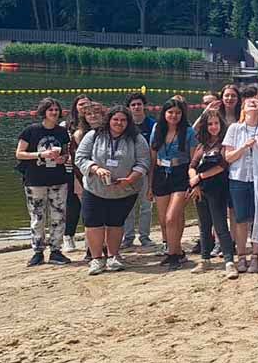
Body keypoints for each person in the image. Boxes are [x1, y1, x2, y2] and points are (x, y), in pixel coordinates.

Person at [75, 105, 150, 275]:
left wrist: (131, 178)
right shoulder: (93, 135)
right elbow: (80, 158)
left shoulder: (136, 139)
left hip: (125, 190)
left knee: (115, 223)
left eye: (123, 120)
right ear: (108, 120)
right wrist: (95, 168)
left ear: (128, 122)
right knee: (93, 223)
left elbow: (144, 162)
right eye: (115, 119)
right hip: (95, 189)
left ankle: (113, 256)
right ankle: (96, 259)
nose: (119, 123)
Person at [16, 98, 73, 266]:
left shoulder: (62, 132)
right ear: (44, 112)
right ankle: (38, 252)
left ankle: (56, 251)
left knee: (59, 215)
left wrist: (63, 158)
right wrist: (41, 155)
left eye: (56, 110)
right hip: (35, 180)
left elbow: (66, 153)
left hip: (58, 179)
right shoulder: (31, 130)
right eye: (51, 110)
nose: (54, 113)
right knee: (37, 216)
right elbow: (19, 153)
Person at [223, 96, 258, 274]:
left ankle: (256, 257)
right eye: (249, 102)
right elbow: (228, 157)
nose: (253, 103)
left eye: (256, 102)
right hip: (239, 177)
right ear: (243, 107)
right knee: (241, 220)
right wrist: (244, 147)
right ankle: (241, 256)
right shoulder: (234, 129)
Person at [149, 99, 198, 270]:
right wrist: (149, 185)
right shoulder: (157, 129)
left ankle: (172, 254)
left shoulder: (189, 132)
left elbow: (193, 160)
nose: (174, 116)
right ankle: (178, 252)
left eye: (177, 112)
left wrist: (193, 183)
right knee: (163, 220)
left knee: (172, 217)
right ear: (164, 113)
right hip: (161, 174)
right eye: (170, 112)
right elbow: (152, 158)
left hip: (180, 174)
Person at [189, 110, 237, 279]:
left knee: (220, 226)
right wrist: (194, 180)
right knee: (204, 226)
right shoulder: (202, 145)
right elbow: (192, 165)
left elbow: (222, 166)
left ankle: (229, 261)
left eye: (216, 123)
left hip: (218, 189)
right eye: (210, 124)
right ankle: (205, 259)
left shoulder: (224, 143)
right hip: (201, 190)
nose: (213, 127)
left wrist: (200, 177)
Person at [122, 92, 156, 250]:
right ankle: (128, 237)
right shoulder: (124, 125)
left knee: (146, 205)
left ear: (144, 106)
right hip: (127, 171)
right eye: (133, 105)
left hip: (146, 170)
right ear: (129, 108)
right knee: (127, 206)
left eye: (139, 104)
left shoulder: (152, 125)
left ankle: (144, 236)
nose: (136, 107)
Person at [62, 95, 92, 254]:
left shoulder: (94, 126)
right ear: (75, 107)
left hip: (88, 171)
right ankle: (68, 237)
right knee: (72, 205)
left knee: (89, 205)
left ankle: (91, 240)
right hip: (69, 170)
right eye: (81, 104)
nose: (84, 107)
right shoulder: (66, 126)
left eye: (87, 104)